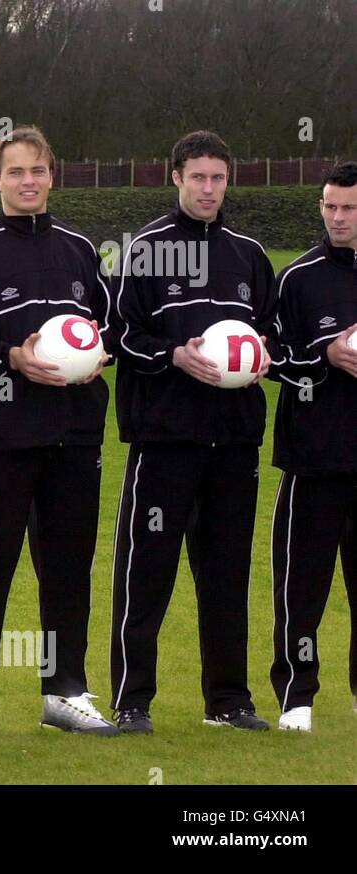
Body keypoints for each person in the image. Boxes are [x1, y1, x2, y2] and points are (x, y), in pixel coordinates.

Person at [0, 126, 117, 740]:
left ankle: (64, 690)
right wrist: (11, 358)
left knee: (69, 564)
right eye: (16, 172)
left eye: (38, 171)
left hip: (75, 433)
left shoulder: (79, 249)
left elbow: (107, 330)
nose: (29, 182)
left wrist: (96, 355)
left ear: (52, 175)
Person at [110, 130, 275, 733]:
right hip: (165, 439)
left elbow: (273, 339)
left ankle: (228, 701)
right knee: (145, 570)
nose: (209, 189)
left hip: (234, 441)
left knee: (228, 572)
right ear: (175, 175)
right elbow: (118, 336)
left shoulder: (249, 254)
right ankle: (132, 701)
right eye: (198, 177)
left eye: (219, 178)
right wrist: (174, 356)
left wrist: (262, 360)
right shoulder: (144, 250)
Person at [266, 160, 357, 732]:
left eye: (349, 208)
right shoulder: (298, 278)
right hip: (314, 459)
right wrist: (324, 356)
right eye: (330, 207)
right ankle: (297, 696)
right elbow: (273, 358)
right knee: (301, 587)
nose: (339, 218)